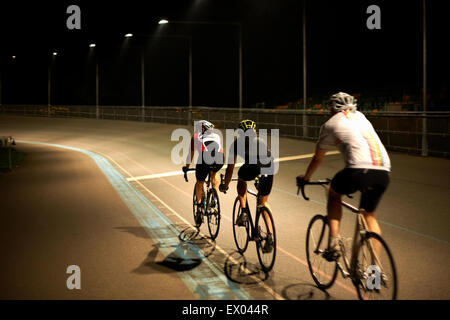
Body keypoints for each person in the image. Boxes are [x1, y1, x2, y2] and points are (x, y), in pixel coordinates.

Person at [296, 92, 391, 260]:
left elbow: (318, 158)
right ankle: (375, 271)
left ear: (332, 109)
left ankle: (333, 245)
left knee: (333, 193)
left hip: (358, 170)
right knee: (369, 215)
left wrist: (306, 178)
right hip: (383, 170)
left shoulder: (330, 124)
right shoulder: (362, 117)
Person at [220, 119, 275, 253]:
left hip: (253, 167)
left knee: (241, 178)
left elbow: (229, 169)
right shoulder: (261, 141)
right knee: (263, 202)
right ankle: (270, 235)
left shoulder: (236, 144)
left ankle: (243, 211)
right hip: (269, 167)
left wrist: (225, 185)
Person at [182, 120, 224, 227]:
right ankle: (214, 196)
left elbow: (190, 155)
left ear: (201, 128)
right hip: (219, 158)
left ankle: (199, 209)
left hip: (204, 158)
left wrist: (186, 168)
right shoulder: (217, 136)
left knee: (200, 182)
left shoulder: (196, 136)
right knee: (214, 174)